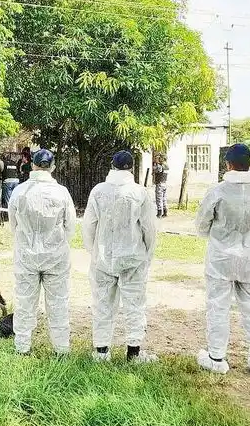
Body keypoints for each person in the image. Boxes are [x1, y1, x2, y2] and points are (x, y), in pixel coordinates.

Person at [195, 143, 250, 376]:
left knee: (218, 306)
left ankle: (216, 357)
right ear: (249, 163)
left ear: (228, 164)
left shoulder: (218, 191)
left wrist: (219, 235)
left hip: (220, 258)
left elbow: (202, 225)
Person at [83, 151, 157, 363]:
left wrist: (94, 251)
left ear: (112, 165)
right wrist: (147, 254)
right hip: (132, 257)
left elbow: (89, 225)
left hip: (104, 257)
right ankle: (133, 352)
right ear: (131, 168)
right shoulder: (139, 193)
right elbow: (149, 228)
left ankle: (101, 351)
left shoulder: (99, 191)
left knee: (102, 304)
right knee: (135, 304)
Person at [8, 149, 76, 355]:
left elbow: (13, 224)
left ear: (33, 165)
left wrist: (25, 242)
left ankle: (22, 347)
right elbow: (70, 226)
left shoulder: (19, 192)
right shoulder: (61, 193)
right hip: (56, 256)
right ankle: (61, 350)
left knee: (24, 302)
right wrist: (58, 244)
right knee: (58, 303)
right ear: (52, 167)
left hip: (26, 255)